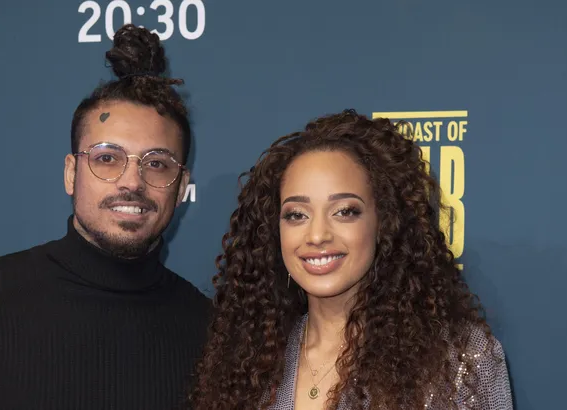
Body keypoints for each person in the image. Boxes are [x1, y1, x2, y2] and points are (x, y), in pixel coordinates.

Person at [0, 24, 211, 410]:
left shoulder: (215, 337)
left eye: (156, 163)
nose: (132, 182)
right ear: (71, 173)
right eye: (107, 158)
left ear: (180, 186)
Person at [189, 109, 514, 410]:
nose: (317, 235)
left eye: (345, 211)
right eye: (297, 214)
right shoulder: (249, 361)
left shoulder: (459, 361)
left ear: (384, 222)